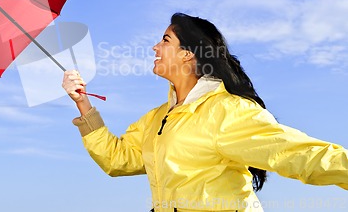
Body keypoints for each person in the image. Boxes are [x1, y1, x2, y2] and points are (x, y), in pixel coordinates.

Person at [62, 12, 348, 212]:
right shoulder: (157, 118)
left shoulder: (226, 111)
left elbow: (296, 154)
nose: (154, 47)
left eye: (164, 40)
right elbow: (118, 160)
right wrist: (83, 104)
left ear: (188, 54)